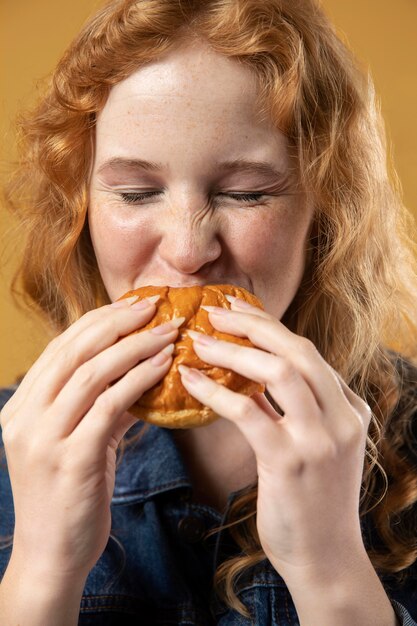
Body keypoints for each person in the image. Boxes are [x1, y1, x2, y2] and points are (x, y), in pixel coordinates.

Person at [1, 0, 416, 623]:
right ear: (81, 210)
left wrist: (330, 572)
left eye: (246, 193)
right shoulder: (13, 445)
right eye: (137, 192)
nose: (189, 252)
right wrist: (41, 572)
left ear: (325, 212)